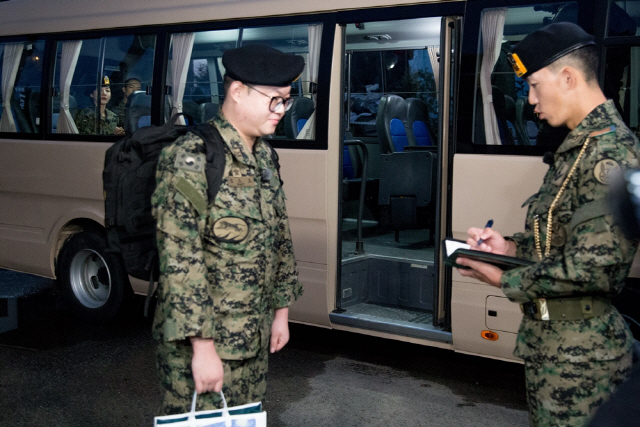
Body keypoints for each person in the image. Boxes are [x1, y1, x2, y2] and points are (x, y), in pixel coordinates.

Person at [456, 23, 640, 426]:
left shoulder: (609, 153)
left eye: (536, 86)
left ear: (569, 77)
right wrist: (506, 249)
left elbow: (592, 268)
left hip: (583, 358)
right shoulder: (578, 146)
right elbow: (557, 241)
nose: (531, 100)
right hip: (555, 345)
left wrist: (504, 279)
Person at [151, 44, 305, 415]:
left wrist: (280, 312)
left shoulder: (264, 154)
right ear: (237, 92)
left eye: (287, 101)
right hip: (203, 344)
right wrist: (203, 350)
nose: (282, 111)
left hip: (251, 339)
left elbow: (278, 236)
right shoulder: (191, 158)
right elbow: (180, 261)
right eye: (275, 101)